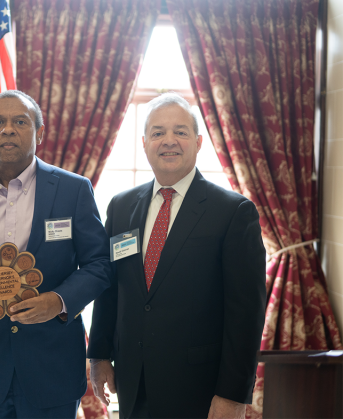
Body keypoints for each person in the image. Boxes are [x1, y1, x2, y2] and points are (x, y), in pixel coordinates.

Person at [0, 90, 112, 418]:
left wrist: (58, 300)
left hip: (53, 368)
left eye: (20, 121)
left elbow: (99, 264)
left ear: (40, 132)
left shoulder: (74, 190)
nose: (8, 129)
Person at [87, 93, 266, 418]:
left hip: (199, 388)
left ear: (198, 142)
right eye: (158, 132)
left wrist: (233, 395)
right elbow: (110, 287)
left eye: (180, 132)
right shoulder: (121, 206)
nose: (169, 141)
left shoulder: (234, 212)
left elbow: (246, 315)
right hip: (132, 381)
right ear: (144, 143)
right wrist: (99, 355)